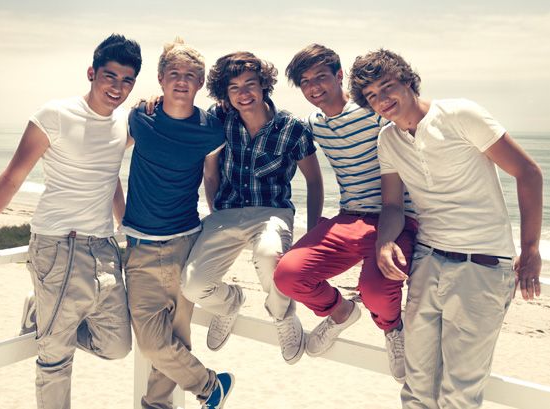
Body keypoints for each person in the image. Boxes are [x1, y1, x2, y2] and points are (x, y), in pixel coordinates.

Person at [0, 34, 143, 409]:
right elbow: (12, 178)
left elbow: (106, 174)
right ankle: (47, 321)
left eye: (127, 80)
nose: (117, 87)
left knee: (117, 346)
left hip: (105, 248)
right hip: (58, 244)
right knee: (55, 358)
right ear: (92, 72)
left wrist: (126, 227)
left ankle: (41, 312)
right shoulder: (55, 115)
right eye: (110, 76)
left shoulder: (125, 124)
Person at [349, 48, 543, 408]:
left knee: (459, 395)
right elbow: (392, 205)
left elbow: (528, 173)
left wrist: (530, 249)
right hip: (428, 263)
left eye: (386, 87)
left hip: (482, 267)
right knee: (416, 388)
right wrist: (384, 242)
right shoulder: (388, 140)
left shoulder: (460, 115)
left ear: (407, 81)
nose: (381, 100)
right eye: (372, 96)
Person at [273, 44, 417, 382]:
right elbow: (275, 126)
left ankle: (392, 329)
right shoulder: (315, 123)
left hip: (396, 217)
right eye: (305, 81)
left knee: (378, 290)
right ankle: (340, 313)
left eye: (321, 77)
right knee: (287, 274)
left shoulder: (376, 112)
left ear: (339, 77)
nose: (314, 87)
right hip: (350, 218)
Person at [180, 51, 324, 365]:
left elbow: (314, 181)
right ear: (225, 94)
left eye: (250, 84)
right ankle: (229, 304)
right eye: (234, 88)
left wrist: (312, 235)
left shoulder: (292, 128)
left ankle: (283, 316)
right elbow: (210, 170)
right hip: (226, 212)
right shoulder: (218, 120)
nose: (243, 94)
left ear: (263, 86)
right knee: (192, 285)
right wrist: (215, 209)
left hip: (272, 212)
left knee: (270, 255)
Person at [122, 39, 233, 409]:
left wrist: (220, 223)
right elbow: (105, 158)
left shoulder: (211, 131)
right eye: (174, 74)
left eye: (190, 75)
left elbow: (211, 179)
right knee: (152, 343)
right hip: (140, 248)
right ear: (160, 78)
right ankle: (209, 385)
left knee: (177, 341)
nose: (181, 81)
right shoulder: (140, 118)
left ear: (200, 83)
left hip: (186, 243)